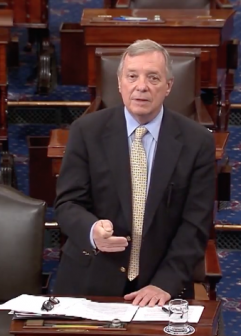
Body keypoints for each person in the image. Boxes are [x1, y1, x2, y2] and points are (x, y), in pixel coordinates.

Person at [53, 39, 215, 307]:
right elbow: (67, 204)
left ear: (168, 86)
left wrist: (166, 282)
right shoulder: (86, 131)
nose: (141, 86)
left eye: (153, 78)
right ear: (119, 83)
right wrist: (92, 230)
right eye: (132, 76)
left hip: (157, 284)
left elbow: (195, 224)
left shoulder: (197, 142)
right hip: (90, 277)